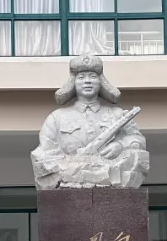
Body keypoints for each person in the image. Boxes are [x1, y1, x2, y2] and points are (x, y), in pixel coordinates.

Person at [30, 53, 150, 190]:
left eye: (93, 77)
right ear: (73, 83)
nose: (87, 81)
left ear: (101, 82)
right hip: (68, 180)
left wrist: (121, 145)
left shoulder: (118, 115)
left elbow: (139, 141)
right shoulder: (56, 118)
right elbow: (44, 154)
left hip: (111, 176)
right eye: (81, 77)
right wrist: (70, 169)